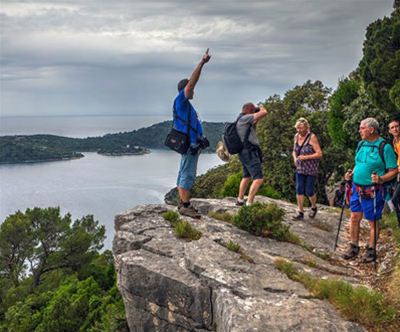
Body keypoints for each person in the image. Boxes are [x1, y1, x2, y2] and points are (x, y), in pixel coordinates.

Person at [343, 118, 398, 262]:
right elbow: (358, 163)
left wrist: (381, 179)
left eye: (362, 128)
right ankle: (353, 246)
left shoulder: (384, 147)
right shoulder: (361, 144)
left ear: (371, 129)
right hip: (356, 187)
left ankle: (371, 250)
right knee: (354, 217)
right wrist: (351, 174)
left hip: (373, 189)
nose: (359, 130)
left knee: (372, 221)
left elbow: (394, 170)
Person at [174, 49, 211, 218]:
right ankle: (186, 205)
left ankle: (182, 202)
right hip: (189, 145)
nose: (194, 91)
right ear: (185, 90)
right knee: (188, 173)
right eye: (190, 88)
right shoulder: (181, 100)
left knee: (184, 171)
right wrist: (202, 63)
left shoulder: (185, 105)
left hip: (191, 144)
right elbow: (192, 84)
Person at [236, 103, 268, 206]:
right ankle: (249, 203)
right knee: (258, 178)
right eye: (253, 110)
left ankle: (240, 200)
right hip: (250, 152)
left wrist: (256, 113)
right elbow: (264, 112)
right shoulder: (245, 118)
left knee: (247, 176)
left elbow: (255, 122)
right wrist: (261, 107)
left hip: (243, 152)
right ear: (250, 110)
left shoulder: (240, 119)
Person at [292, 118, 322, 220]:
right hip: (300, 167)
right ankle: (300, 211)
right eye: (298, 128)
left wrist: (305, 157)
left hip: (311, 168)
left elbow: (319, 153)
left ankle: (313, 207)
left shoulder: (312, 137)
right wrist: (295, 159)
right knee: (299, 189)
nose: (299, 130)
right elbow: (294, 151)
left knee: (309, 190)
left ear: (306, 128)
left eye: (301, 128)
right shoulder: (296, 136)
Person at [388, 119, 400, 225]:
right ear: (389, 131)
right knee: (395, 200)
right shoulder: (394, 141)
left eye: (397, 126)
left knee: (395, 199)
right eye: (392, 127)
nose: (395, 129)